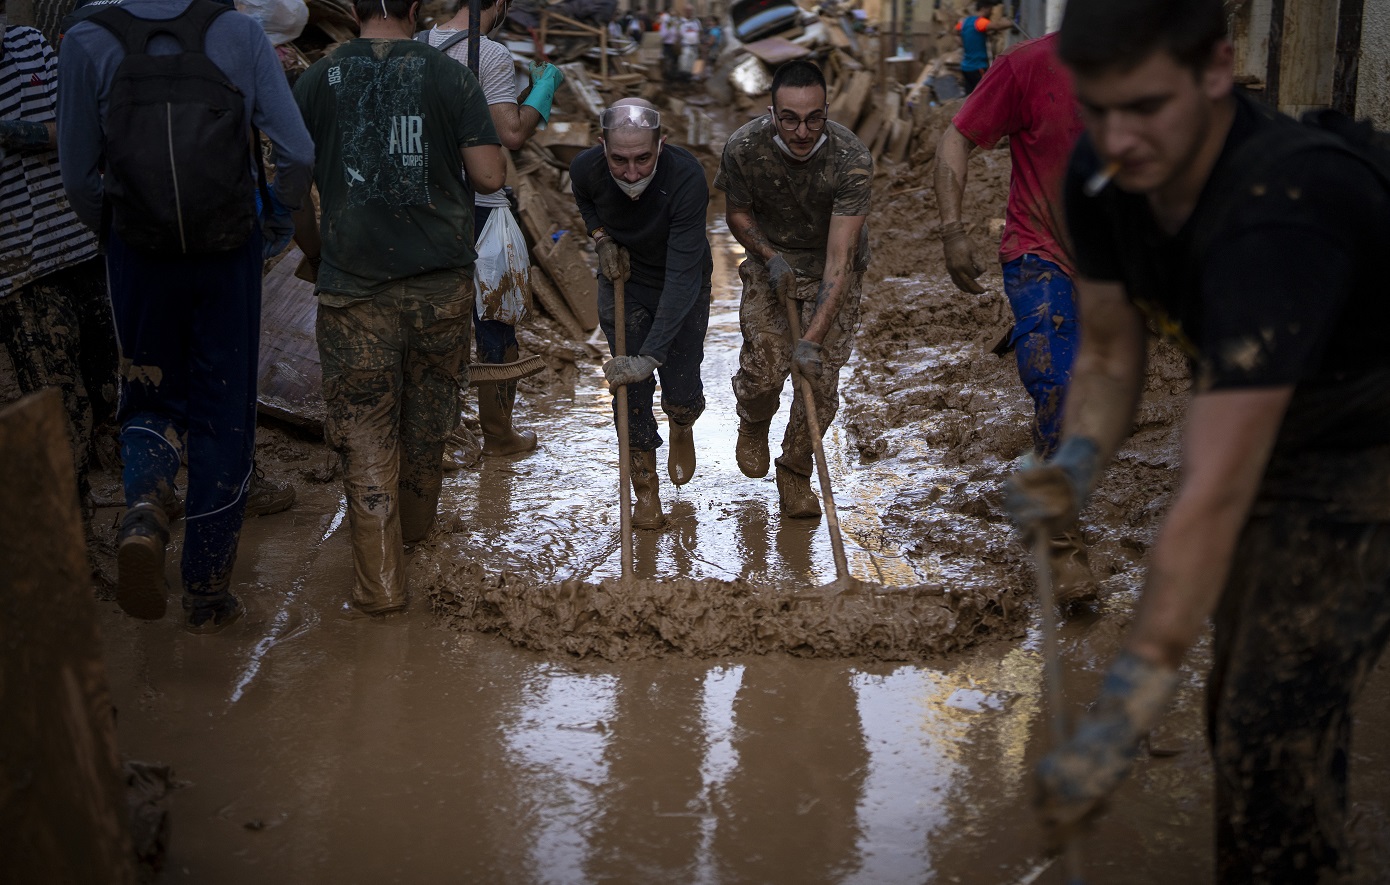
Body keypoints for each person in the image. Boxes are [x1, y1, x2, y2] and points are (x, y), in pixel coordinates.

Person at [1007, 0, 1390, 879]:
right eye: (1097, 111)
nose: (1118, 137)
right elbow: (1105, 350)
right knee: (1244, 693)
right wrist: (1076, 461)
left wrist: (1119, 712)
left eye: (1145, 106)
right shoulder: (1106, 174)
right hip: (1273, 413)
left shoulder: (1281, 209)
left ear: (1216, 71)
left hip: (1366, 444)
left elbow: (1210, 491)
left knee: (1273, 726)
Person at [59, 0, 313, 631]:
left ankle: (144, 510)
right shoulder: (238, 33)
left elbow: (76, 174)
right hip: (226, 250)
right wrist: (273, 225)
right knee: (223, 411)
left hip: (137, 254)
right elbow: (297, 152)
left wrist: (119, 232)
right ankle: (206, 592)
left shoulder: (87, 40)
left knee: (147, 394)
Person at [292, 0, 505, 616]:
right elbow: (489, 177)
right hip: (438, 286)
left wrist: (317, 248)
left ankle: (381, 584)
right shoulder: (450, 75)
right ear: (416, 7)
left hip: (352, 288)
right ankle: (413, 534)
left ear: (354, 7)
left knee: (364, 429)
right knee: (428, 416)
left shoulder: (316, 80)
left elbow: (291, 185)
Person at [933, 32, 1092, 600]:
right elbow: (957, 136)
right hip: (1039, 252)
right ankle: (1061, 541)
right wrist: (952, 231)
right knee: (1056, 380)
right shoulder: (1028, 66)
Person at [715, 59, 870, 519]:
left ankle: (795, 471)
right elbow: (737, 215)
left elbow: (840, 260)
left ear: (826, 110)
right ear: (772, 112)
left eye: (814, 118)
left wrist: (812, 339)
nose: (802, 131)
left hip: (831, 265)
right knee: (764, 370)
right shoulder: (744, 147)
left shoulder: (851, 157)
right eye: (789, 119)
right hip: (772, 260)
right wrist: (769, 257)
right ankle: (754, 420)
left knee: (818, 385)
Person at [420, 0, 564, 457]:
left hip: (422, 205)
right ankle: (499, 435)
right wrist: (543, 90)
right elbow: (512, 133)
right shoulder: (491, 54)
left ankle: (429, 440)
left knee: (428, 323)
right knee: (495, 318)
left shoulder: (417, 44)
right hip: (478, 204)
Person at [0, 21, 118, 554]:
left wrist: (13, 132)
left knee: (117, 383)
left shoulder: (28, 43)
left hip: (79, 241)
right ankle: (78, 547)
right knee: (57, 406)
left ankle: (143, 506)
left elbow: (70, 129)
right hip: (18, 273)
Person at [570, 98, 712, 530]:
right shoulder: (585, 170)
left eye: (643, 159)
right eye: (620, 160)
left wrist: (651, 356)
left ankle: (682, 422)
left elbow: (683, 277)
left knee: (681, 379)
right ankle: (646, 490)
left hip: (681, 279)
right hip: (625, 281)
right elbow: (586, 201)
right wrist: (601, 239)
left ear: (661, 145)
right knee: (628, 391)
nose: (631, 173)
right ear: (602, 147)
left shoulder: (687, 178)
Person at [955, 0, 1013, 94]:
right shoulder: (979, 22)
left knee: (970, 97)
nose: (992, 12)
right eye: (990, 9)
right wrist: (1013, 23)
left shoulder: (965, 22)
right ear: (984, 8)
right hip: (978, 67)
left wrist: (963, 42)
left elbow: (956, 32)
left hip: (966, 67)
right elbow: (997, 26)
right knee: (984, 95)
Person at [658, 8, 678, 79]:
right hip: (667, 44)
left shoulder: (675, 23)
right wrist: (669, 28)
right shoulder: (665, 24)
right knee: (667, 60)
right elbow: (663, 35)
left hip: (674, 45)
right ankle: (667, 76)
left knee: (674, 61)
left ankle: (673, 76)